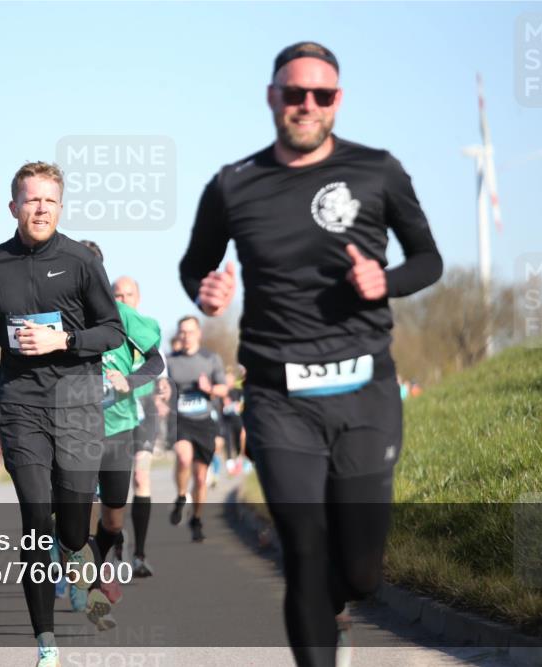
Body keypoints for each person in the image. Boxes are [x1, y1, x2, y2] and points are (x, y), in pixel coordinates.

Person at [179, 41, 442, 667]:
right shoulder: (233, 185)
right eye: (294, 93)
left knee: (358, 572)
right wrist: (205, 292)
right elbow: (195, 265)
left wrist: (388, 281)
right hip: (277, 397)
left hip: (364, 393)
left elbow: (428, 259)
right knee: (304, 549)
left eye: (320, 95)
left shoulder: (378, 171)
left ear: (338, 101)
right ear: (273, 97)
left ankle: (339, 606)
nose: (306, 105)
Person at [0, 161, 125, 667]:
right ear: (14, 207)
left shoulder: (79, 261)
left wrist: (64, 339)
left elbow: (112, 331)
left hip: (76, 403)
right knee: (35, 517)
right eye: (32, 200)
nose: (41, 208)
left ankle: (78, 561)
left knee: (72, 530)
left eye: (50, 200)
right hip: (21, 405)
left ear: (61, 206)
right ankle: (46, 644)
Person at [77, 244, 163, 626]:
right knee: (75, 518)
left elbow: (157, 362)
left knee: (113, 520)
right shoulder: (61, 317)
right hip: (74, 432)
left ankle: (92, 570)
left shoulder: (124, 317)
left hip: (119, 428)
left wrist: (129, 381)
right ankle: (91, 588)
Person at [110, 275, 161, 577]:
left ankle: (140, 555)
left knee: (141, 477)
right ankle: (116, 539)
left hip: (144, 410)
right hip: (116, 413)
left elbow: (156, 366)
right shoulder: (107, 328)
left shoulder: (144, 326)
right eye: (116, 294)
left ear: (138, 298)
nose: (122, 300)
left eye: (128, 294)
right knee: (114, 486)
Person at [165, 316, 228, 542]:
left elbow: (223, 389)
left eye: (190, 332)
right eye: (182, 332)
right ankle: (182, 497)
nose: (186, 336)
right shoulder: (171, 361)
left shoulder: (210, 359)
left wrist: (209, 387)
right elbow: (163, 389)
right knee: (183, 458)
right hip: (182, 421)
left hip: (204, 422)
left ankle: (197, 518)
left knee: (201, 478)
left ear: (198, 334)